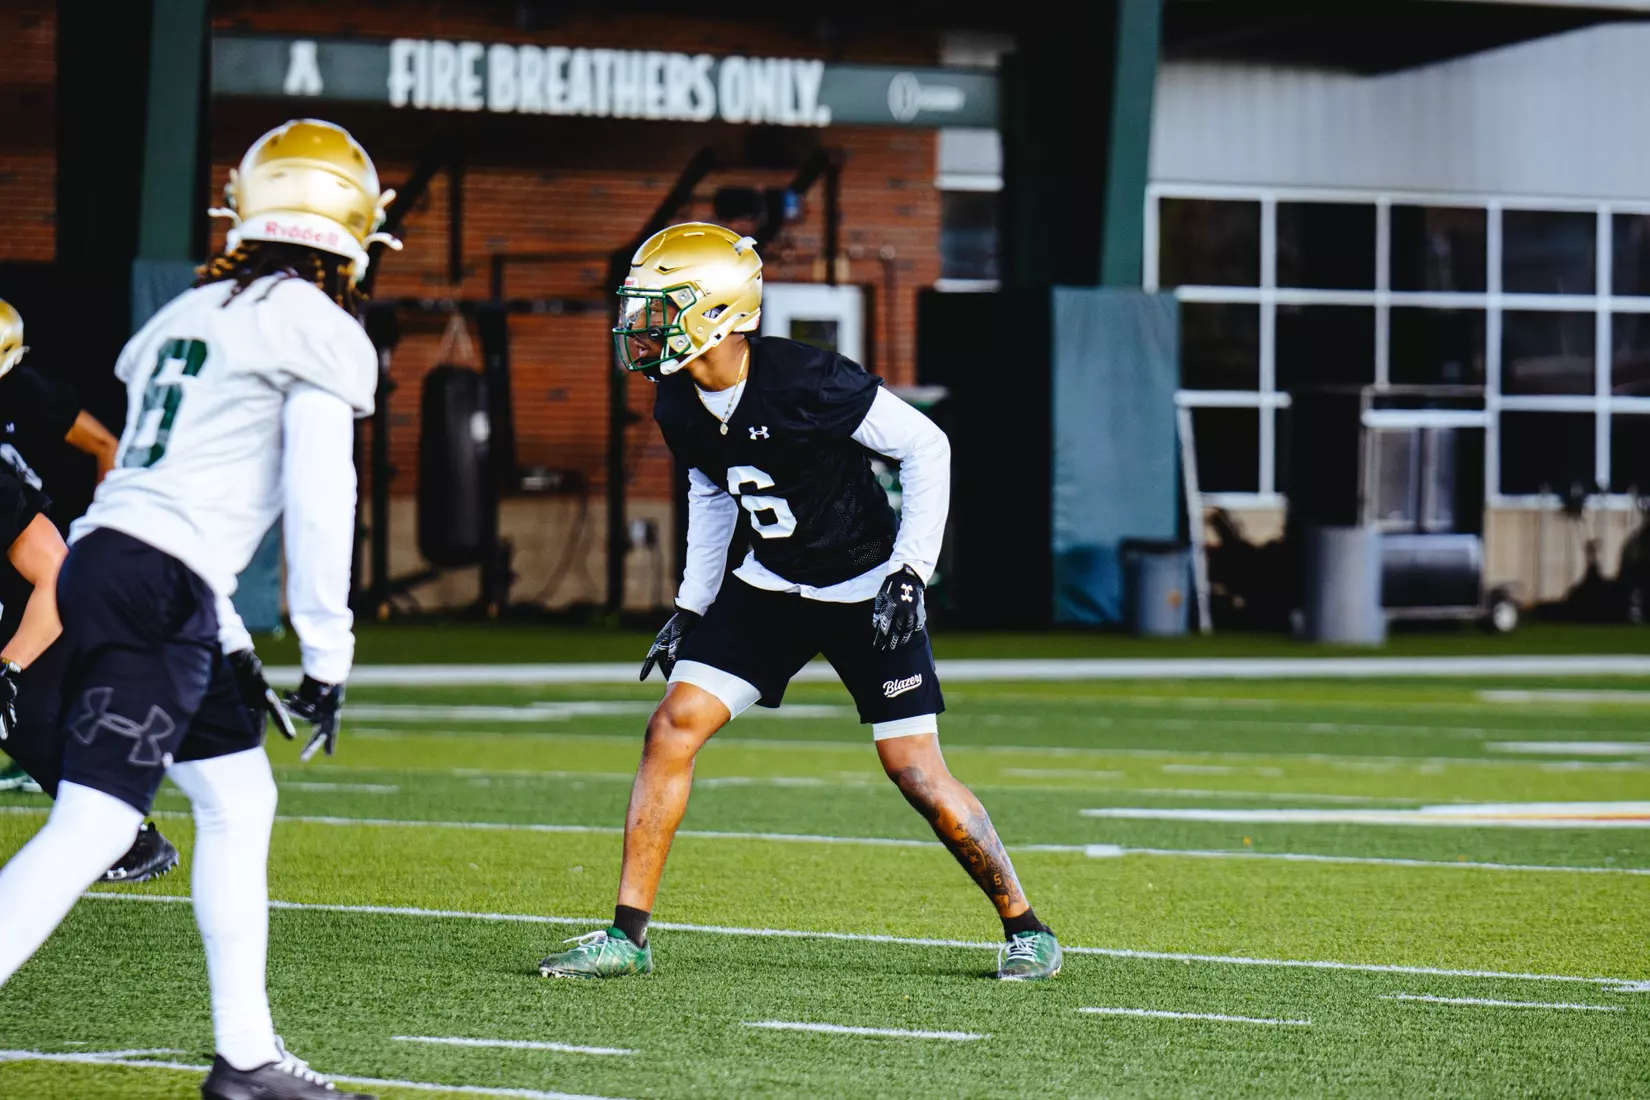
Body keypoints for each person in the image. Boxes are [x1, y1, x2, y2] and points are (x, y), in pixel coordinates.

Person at [538, 223, 1062, 983]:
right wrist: (692, 604)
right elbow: (712, 493)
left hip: (865, 584)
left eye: (661, 305)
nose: (641, 323)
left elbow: (928, 447)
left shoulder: (806, 379)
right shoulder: (678, 400)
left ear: (720, 312)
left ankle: (1027, 926)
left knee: (913, 769)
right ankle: (628, 936)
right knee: (672, 726)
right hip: (772, 584)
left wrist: (911, 572)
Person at [0, 117, 394, 1100]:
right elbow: (318, 492)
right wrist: (328, 647)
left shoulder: (187, 314)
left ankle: (248, 1056)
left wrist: (221, 634)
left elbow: (154, 483)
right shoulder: (318, 327)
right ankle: (246, 1059)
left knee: (236, 797)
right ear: (352, 230)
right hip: (157, 578)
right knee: (94, 820)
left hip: (119, 562)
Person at [0, 299, 121, 795]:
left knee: (33, 702)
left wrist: (101, 532)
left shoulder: (26, 394)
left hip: (29, 550)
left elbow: (105, 445)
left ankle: (115, 832)